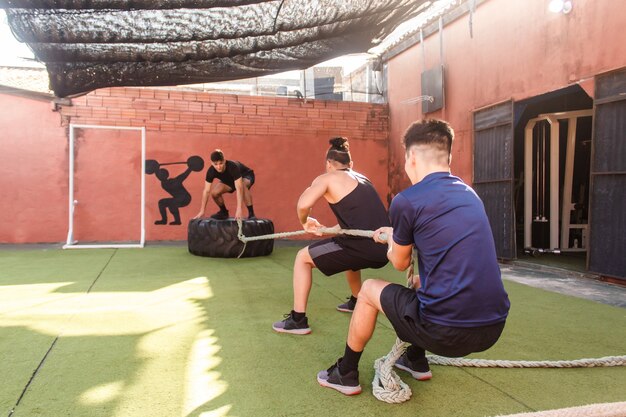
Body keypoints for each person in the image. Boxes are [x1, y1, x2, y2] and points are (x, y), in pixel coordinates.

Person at [316, 119, 510, 396]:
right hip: (493, 327)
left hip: (446, 332)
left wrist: (393, 240)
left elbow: (399, 263)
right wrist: (397, 233)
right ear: (448, 156)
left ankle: (345, 373)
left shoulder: (407, 200)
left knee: (369, 289)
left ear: (413, 157)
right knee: (419, 281)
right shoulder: (470, 195)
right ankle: (416, 360)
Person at [272, 137, 390, 335]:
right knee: (350, 257)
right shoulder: (363, 178)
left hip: (362, 246)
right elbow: (361, 221)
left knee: (302, 258)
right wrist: (332, 229)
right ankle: (356, 300)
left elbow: (303, 204)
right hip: (383, 246)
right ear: (350, 164)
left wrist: (305, 222)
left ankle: (298, 320)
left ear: (328, 164)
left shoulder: (327, 178)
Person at [193, 149, 256, 220]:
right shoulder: (211, 171)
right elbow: (206, 191)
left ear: (224, 161)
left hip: (246, 176)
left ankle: (251, 213)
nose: (219, 167)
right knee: (214, 193)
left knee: (243, 185)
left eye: (221, 163)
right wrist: (202, 211)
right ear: (212, 163)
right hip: (229, 180)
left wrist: (239, 209)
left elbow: (239, 188)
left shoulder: (232, 166)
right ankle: (224, 212)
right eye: (216, 164)